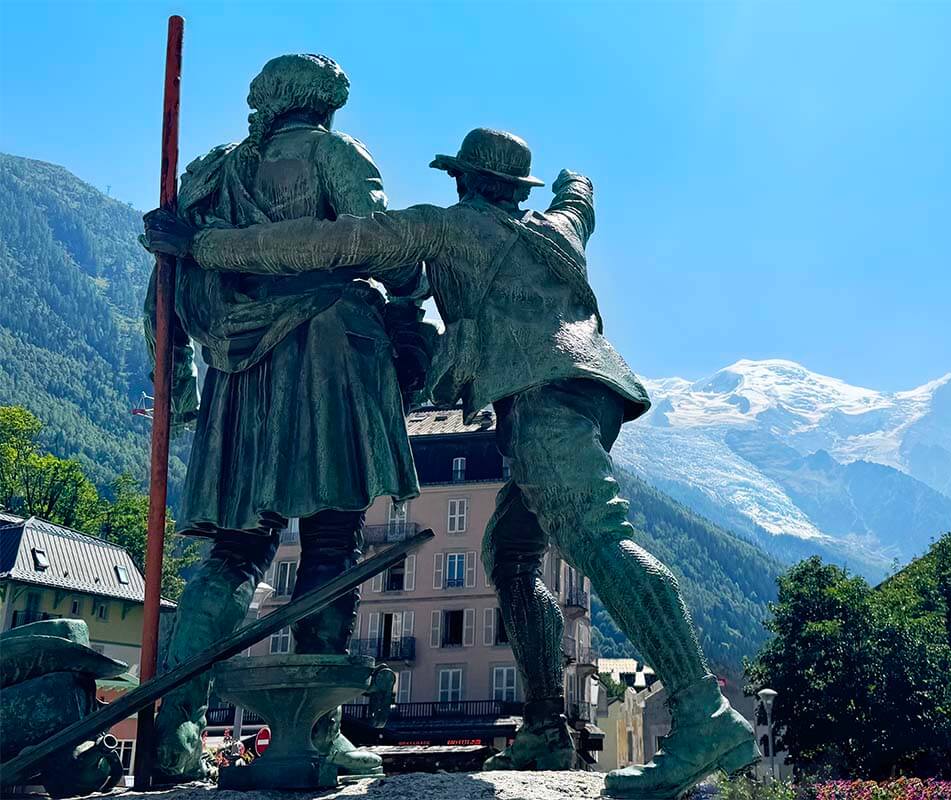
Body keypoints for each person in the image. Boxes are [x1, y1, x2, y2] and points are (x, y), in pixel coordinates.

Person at [143, 127, 758, 799]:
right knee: (511, 556)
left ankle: (702, 712)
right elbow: (581, 199)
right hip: (597, 392)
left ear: (463, 180)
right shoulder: (557, 229)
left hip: (541, 395)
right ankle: (547, 726)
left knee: (597, 538)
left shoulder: (444, 228)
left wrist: (204, 246)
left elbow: (330, 244)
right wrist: (573, 181)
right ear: (516, 190)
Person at [143, 54, 432, 783]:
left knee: (236, 550)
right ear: (321, 106)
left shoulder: (212, 174)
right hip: (329, 355)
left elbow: (167, 276)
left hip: (242, 369)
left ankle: (174, 725)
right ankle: (315, 729)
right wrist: (414, 284)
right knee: (331, 540)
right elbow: (379, 247)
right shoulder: (338, 155)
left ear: (264, 103)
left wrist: (175, 368)